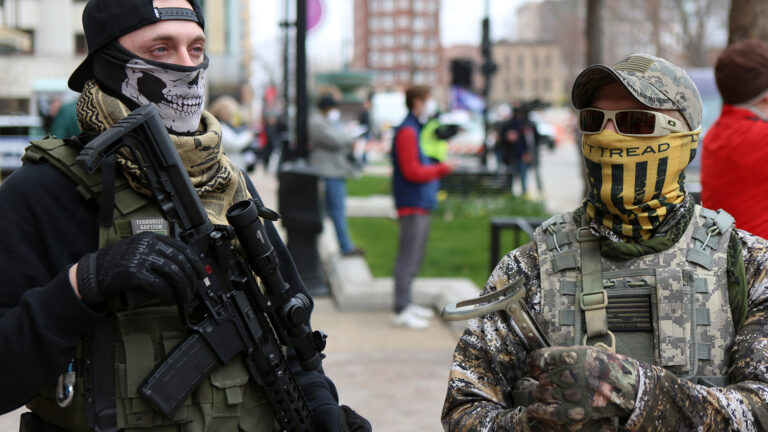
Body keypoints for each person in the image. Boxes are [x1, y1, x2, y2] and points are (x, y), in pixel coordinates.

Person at [0, 1, 370, 431]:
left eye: (196, 49)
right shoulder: (47, 191)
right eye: (161, 50)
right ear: (108, 63)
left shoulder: (229, 183)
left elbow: (288, 333)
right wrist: (84, 283)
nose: (186, 66)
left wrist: (321, 407)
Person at [441, 53, 768, 431]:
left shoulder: (745, 264)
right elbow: (465, 410)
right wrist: (536, 422)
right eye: (594, 120)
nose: (608, 135)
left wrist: (638, 393)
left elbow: (761, 407)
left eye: (635, 122)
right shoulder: (530, 268)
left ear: (686, 139)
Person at [391, 85, 454, 329]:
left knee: (414, 255)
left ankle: (406, 303)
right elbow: (412, 171)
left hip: (418, 201)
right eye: (428, 99)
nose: (431, 104)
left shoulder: (413, 128)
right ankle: (401, 308)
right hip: (412, 201)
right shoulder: (407, 131)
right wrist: (443, 168)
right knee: (408, 256)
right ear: (417, 101)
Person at [701, 38, 768, 239]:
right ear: (765, 97)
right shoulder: (761, 138)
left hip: (723, 259)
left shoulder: (714, 134)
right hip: (760, 264)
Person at [309, 92, 364, 257]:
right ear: (327, 108)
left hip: (335, 171)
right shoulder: (317, 123)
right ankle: (345, 247)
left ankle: (344, 245)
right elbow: (338, 141)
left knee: (334, 211)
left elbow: (339, 137)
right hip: (329, 173)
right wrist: (350, 133)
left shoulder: (326, 121)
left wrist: (345, 133)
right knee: (336, 211)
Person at [208, 94, 258, 172]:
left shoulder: (224, 126)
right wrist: (249, 135)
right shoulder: (220, 128)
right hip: (229, 168)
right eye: (231, 114)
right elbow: (235, 144)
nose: (233, 117)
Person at [496, 107, 532, 196]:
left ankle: (524, 194)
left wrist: (528, 153)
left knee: (523, 178)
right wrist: (507, 137)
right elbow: (500, 142)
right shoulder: (508, 125)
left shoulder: (526, 125)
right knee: (510, 178)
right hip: (511, 156)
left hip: (522, 156)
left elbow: (531, 141)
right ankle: (509, 195)